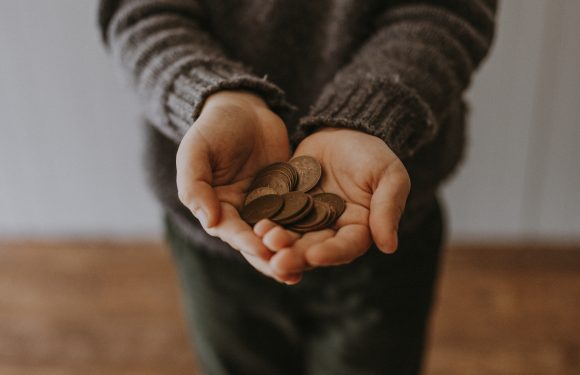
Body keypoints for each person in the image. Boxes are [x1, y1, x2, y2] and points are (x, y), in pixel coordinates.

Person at [99, 0, 497, 373]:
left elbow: (447, 9)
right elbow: (140, 12)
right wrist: (210, 95)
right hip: (215, 235)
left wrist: (371, 110)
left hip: (382, 221)